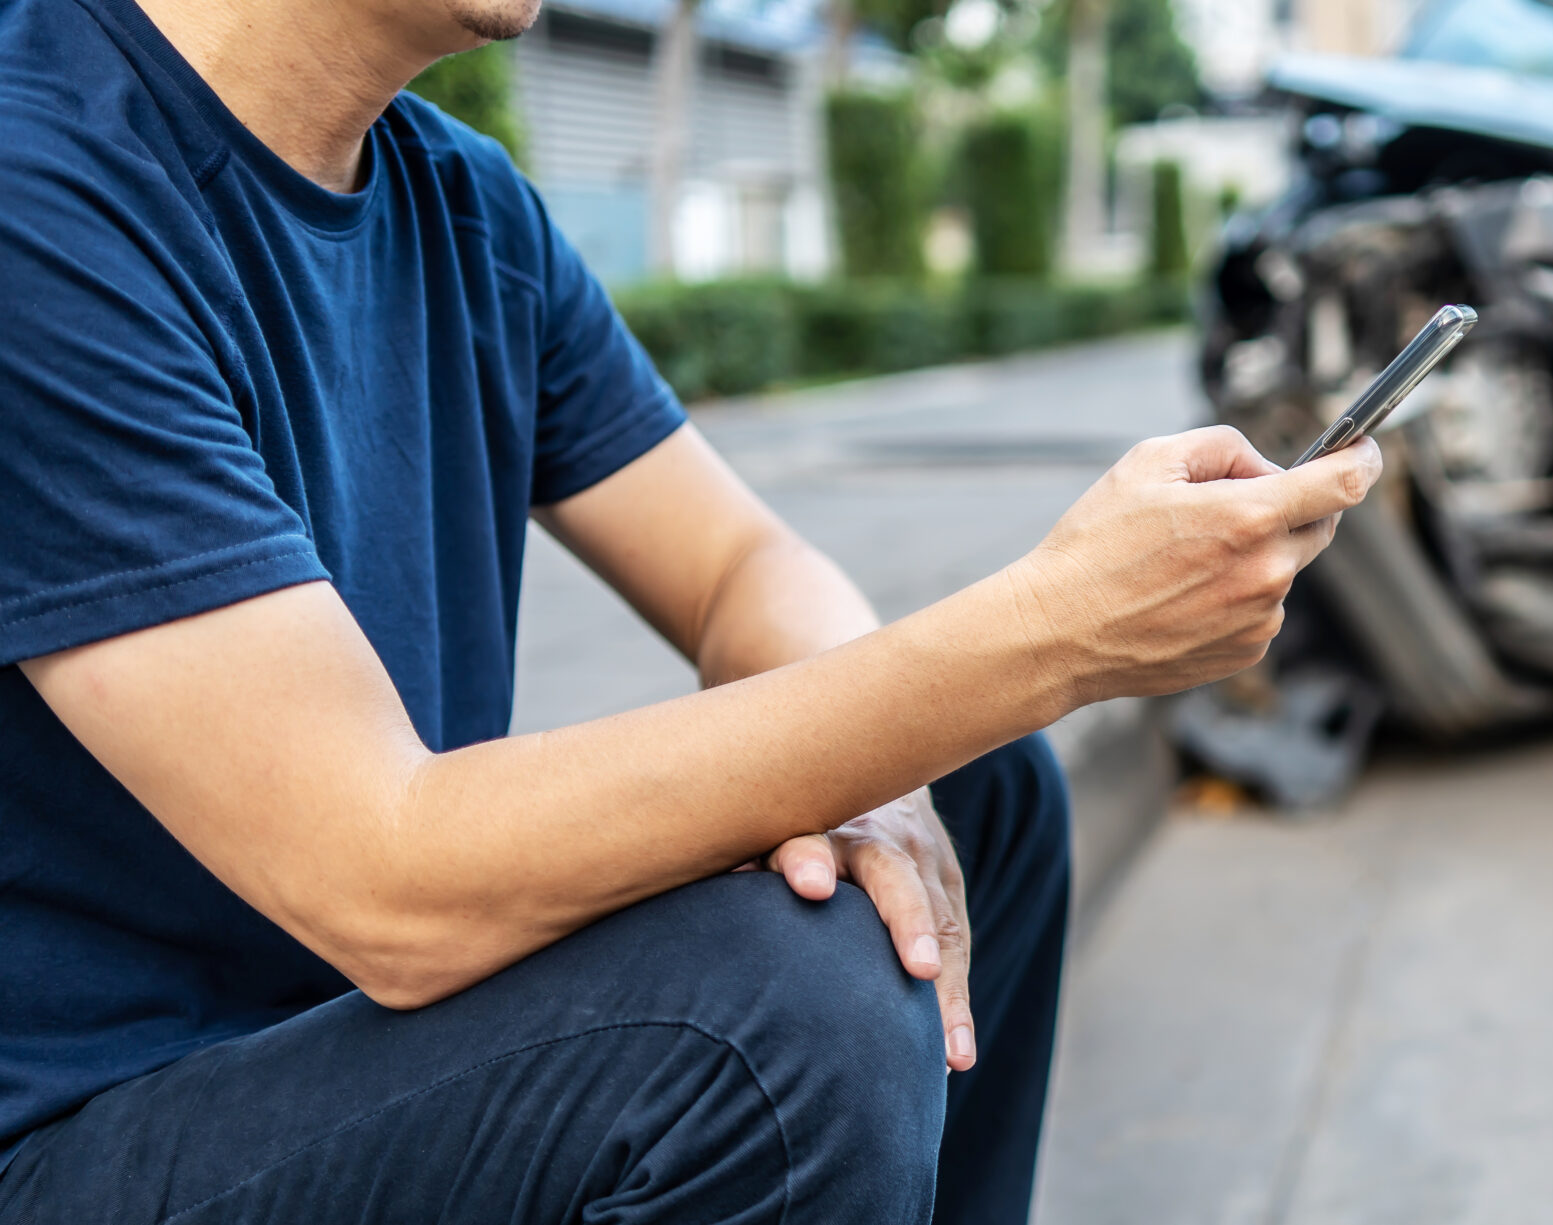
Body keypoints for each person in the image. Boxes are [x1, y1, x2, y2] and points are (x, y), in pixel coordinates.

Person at [0, 0, 1383, 1220]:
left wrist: (886, 777)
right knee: (782, 1017)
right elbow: (384, 875)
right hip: (85, 1135)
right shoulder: (38, 185)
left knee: (973, 787)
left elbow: (738, 569)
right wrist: (1051, 636)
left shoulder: (464, 208)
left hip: (332, 1043)